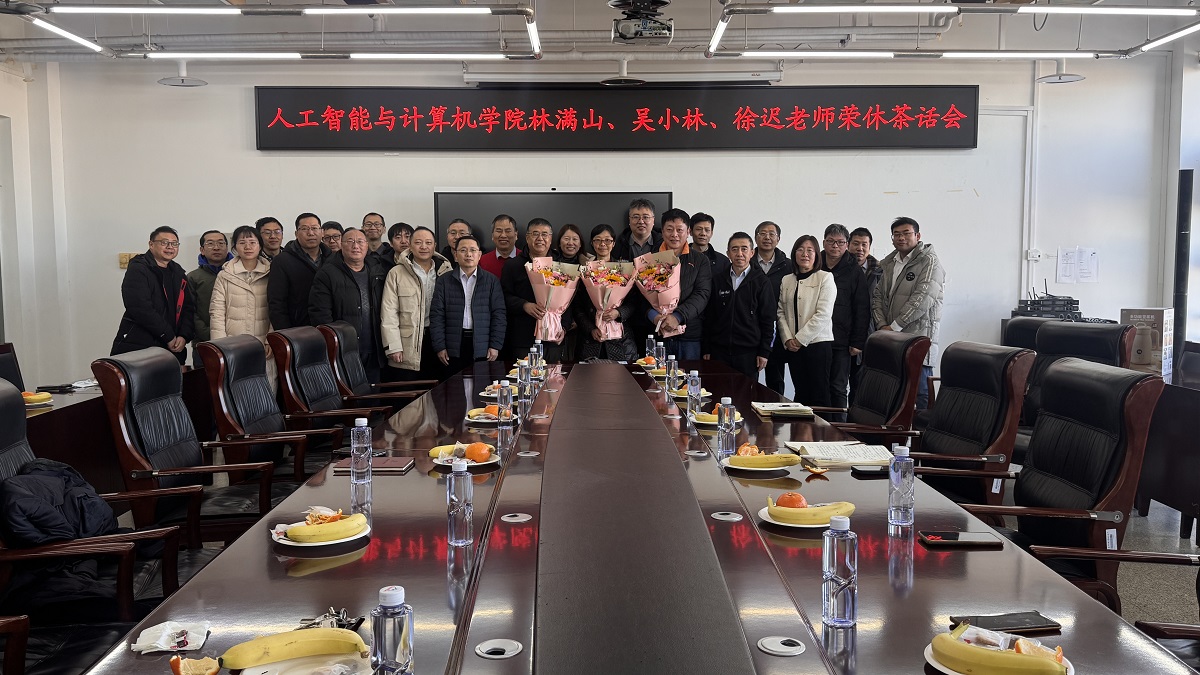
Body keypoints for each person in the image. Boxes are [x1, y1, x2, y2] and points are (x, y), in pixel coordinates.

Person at [872, 216, 945, 410]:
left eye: (906, 233)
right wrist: (882, 326)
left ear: (918, 236)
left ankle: (921, 431)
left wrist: (894, 327)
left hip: (919, 337)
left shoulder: (930, 262)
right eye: (896, 234)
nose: (901, 238)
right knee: (893, 393)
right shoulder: (890, 263)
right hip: (891, 338)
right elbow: (878, 296)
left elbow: (923, 298)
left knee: (919, 394)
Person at [309, 228, 388, 385]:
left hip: (374, 348)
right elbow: (320, 314)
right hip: (344, 350)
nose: (355, 246)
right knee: (349, 393)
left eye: (360, 242)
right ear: (341, 244)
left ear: (367, 245)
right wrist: (334, 345)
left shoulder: (377, 270)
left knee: (374, 394)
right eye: (350, 241)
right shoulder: (327, 273)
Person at [110, 226, 195, 365]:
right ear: (151, 244)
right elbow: (140, 307)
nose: (170, 247)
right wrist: (168, 336)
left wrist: (183, 336)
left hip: (172, 347)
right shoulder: (139, 268)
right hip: (141, 344)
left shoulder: (178, 272)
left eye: (174, 243)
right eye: (164, 242)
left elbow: (188, 308)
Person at [381, 226, 453, 382]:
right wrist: (393, 346)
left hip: (438, 339)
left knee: (438, 390)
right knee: (410, 390)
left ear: (435, 246)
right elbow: (389, 313)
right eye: (418, 242)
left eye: (428, 243)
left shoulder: (446, 271)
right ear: (410, 246)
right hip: (408, 343)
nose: (424, 247)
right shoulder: (396, 273)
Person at [430, 235, 506, 377]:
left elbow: (499, 315)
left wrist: (495, 345)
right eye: (463, 250)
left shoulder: (491, 281)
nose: (468, 254)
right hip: (453, 345)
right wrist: (440, 346)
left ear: (479, 255)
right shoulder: (444, 281)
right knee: (454, 386)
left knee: (481, 386)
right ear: (455, 255)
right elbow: (436, 316)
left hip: (482, 344)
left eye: (472, 250)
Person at [209, 226, 275, 389]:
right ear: (234, 247)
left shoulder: (272, 273)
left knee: (266, 390)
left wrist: (270, 340)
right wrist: (221, 346)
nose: (248, 247)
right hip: (233, 345)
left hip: (263, 345)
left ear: (260, 245)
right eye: (242, 242)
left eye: (252, 242)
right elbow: (217, 312)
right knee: (237, 390)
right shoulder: (225, 275)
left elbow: (277, 309)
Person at [702, 232, 773, 380]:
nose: (739, 254)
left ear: (752, 253)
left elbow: (768, 320)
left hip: (749, 354)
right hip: (719, 352)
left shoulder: (762, 282)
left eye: (744, 249)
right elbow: (709, 317)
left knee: (746, 393)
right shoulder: (718, 280)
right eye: (734, 249)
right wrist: (706, 348)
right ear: (728, 253)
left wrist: (764, 352)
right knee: (718, 391)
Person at [777, 235, 836, 406]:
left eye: (810, 250)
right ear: (794, 253)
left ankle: (822, 425)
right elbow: (780, 312)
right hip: (793, 347)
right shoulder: (787, 280)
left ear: (817, 254)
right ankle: (801, 425)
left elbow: (823, 314)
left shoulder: (825, 277)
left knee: (819, 395)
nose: (805, 254)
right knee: (801, 393)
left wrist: (800, 339)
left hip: (817, 345)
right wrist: (788, 339)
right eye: (800, 250)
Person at [820, 224, 869, 420]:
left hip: (842, 340)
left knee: (838, 387)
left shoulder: (854, 270)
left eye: (840, 242)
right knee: (819, 386)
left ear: (846, 245)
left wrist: (858, 342)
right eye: (831, 241)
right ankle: (819, 429)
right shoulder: (815, 264)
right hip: (816, 339)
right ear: (823, 242)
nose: (835, 246)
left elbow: (862, 308)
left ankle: (839, 429)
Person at [649, 208, 711, 361]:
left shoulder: (700, 260)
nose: (674, 234)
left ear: (688, 231)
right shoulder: (649, 259)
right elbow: (641, 295)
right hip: (657, 334)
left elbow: (702, 294)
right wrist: (655, 317)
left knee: (688, 376)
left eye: (679, 230)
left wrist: (678, 316)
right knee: (656, 375)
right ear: (662, 232)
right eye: (669, 229)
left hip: (689, 336)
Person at [502, 218, 565, 362]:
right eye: (535, 234)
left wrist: (564, 328)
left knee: (553, 375)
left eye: (545, 234)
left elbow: (569, 302)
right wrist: (524, 305)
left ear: (551, 238)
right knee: (523, 375)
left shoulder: (561, 265)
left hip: (553, 338)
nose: (540, 238)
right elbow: (504, 296)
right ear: (527, 237)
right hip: (523, 338)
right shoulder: (513, 265)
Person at [574, 224, 637, 361]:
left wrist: (619, 313)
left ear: (613, 243)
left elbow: (634, 302)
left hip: (621, 341)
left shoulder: (625, 269)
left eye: (607, 240)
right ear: (592, 243)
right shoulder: (584, 271)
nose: (603, 244)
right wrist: (590, 328)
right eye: (598, 240)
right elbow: (577, 306)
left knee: (619, 374)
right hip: (590, 341)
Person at [267, 212, 331, 330]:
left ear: (322, 232)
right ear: (296, 234)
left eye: (314, 228)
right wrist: (285, 334)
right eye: (305, 229)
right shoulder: (282, 261)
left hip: (329, 328)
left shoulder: (332, 259)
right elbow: (277, 303)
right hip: (297, 330)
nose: (310, 233)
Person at [756, 220, 795, 395]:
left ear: (778, 239)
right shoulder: (747, 262)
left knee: (776, 379)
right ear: (756, 238)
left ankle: (776, 411)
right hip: (750, 329)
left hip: (778, 331)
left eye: (772, 234)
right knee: (747, 379)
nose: (767, 237)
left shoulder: (788, 266)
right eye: (763, 233)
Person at [848, 226, 883, 403]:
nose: (859, 249)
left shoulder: (880, 271)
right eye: (855, 244)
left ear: (870, 247)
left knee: (860, 383)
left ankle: (856, 418)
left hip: (869, 334)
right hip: (843, 332)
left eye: (864, 244)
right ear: (848, 245)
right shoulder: (841, 268)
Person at [187, 229, 231, 360]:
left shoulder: (237, 274)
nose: (216, 248)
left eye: (221, 243)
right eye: (210, 244)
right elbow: (189, 311)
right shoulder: (193, 277)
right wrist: (209, 333)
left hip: (236, 340)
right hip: (204, 342)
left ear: (227, 248)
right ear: (202, 250)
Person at [613, 198, 662, 262]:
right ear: (629, 220)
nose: (641, 222)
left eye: (646, 217)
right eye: (636, 217)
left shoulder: (663, 243)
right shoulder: (619, 244)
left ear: (653, 220)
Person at [689, 212, 730, 278]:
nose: (703, 233)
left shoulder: (722, 261)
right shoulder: (680, 257)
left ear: (711, 233)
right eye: (699, 229)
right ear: (690, 232)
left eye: (707, 230)